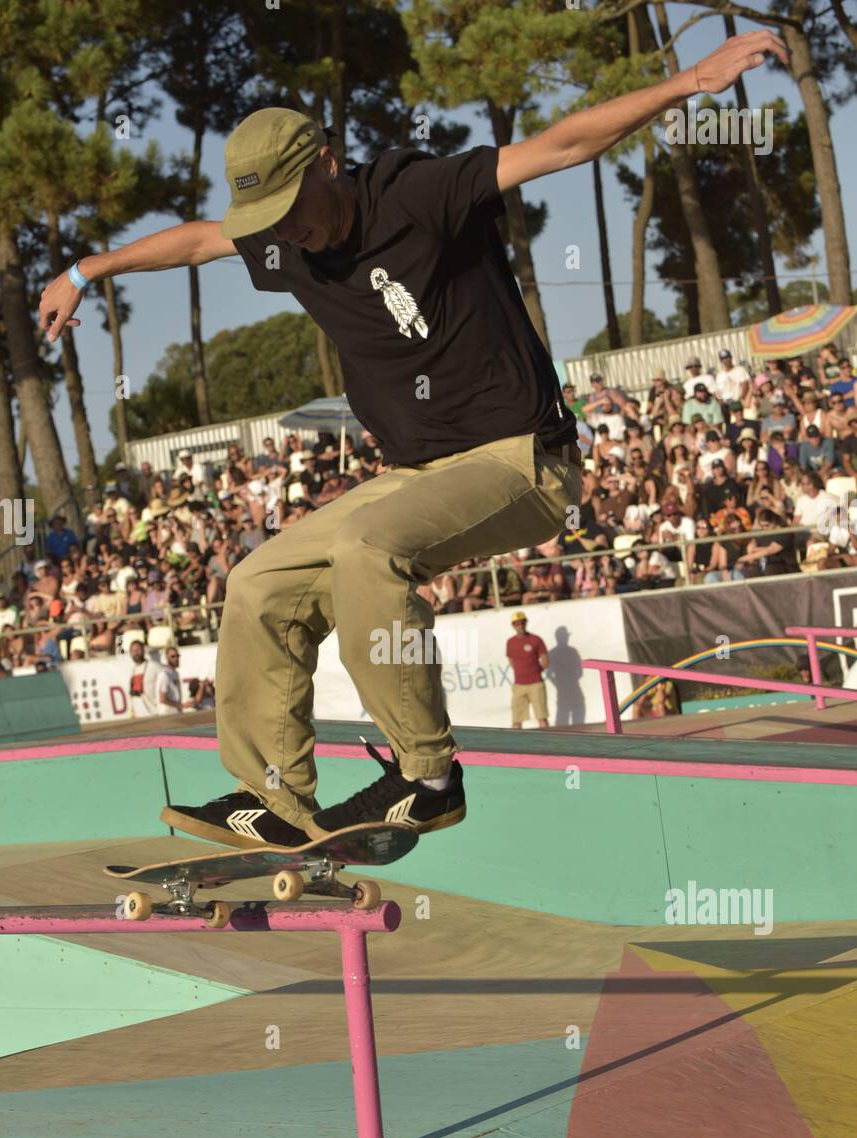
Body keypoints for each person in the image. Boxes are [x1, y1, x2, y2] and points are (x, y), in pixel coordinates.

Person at [39, 24, 787, 849]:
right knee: (257, 584)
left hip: (521, 461)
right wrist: (88, 269)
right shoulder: (274, 237)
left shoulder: (418, 193)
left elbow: (561, 145)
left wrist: (688, 82)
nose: (288, 236)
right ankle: (277, 800)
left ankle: (427, 776)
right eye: (270, 225)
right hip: (420, 473)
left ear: (326, 162)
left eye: (295, 213)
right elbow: (194, 240)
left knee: (366, 546)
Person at [506, 612, 550, 728]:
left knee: (542, 718)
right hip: (519, 685)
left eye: (522, 622)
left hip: (536, 683)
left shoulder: (536, 639)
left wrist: (535, 671)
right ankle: (515, 746)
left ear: (526, 623)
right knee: (516, 720)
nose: (520, 625)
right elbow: (511, 661)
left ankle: (549, 744)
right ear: (513, 625)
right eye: (517, 623)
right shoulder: (510, 642)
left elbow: (545, 661)